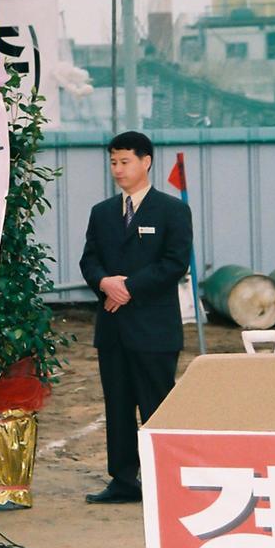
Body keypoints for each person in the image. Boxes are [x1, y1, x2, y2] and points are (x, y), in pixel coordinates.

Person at [79, 131, 192, 504]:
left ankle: (168, 479)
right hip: (112, 330)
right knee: (118, 404)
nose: (118, 169)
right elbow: (89, 260)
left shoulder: (172, 210)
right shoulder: (102, 212)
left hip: (153, 328)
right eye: (113, 162)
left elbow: (174, 263)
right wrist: (104, 282)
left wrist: (126, 289)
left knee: (158, 404)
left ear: (146, 162)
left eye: (125, 161)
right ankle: (124, 480)